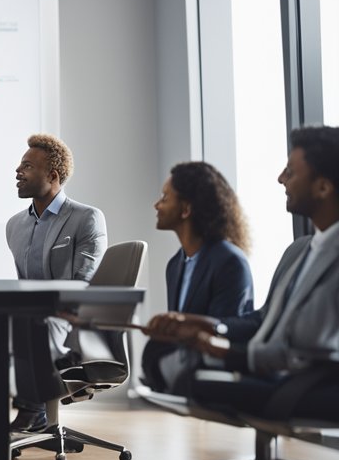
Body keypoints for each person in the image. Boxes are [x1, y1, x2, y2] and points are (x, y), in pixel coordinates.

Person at [145, 126, 339, 418]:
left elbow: (307, 352)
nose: (280, 178)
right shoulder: (300, 251)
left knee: (194, 383)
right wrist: (209, 327)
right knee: (163, 357)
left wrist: (229, 352)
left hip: (311, 382)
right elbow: (262, 318)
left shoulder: (231, 260)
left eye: (290, 171)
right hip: (273, 367)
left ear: (323, 187)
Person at [0, 134, 107, 434]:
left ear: (52, 176)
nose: (17, 171)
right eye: (20, 165)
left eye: (27, 166)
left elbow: (83, 286)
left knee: (31, 325)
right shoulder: (15, 225)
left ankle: (33, 410)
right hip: (32, 318)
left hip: (70, 319)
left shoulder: (86, 218)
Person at [141, 161, 254, 393]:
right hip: (182, 372)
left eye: (165, 198)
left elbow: (224, 334)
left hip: (213, 376)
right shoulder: (175, 265)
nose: (156, 205)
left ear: (185, 209)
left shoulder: (230, 262)